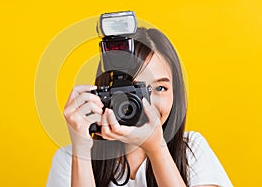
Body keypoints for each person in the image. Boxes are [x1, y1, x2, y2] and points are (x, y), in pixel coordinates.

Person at [46, 27, 233, 187]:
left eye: (160, 88)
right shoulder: (69, 158)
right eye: (132, 91)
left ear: (175, 93)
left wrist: (157, 149)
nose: (146, 104)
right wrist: (82, 151)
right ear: (105, 94)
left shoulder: (191, 148)